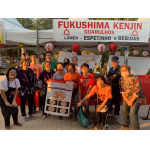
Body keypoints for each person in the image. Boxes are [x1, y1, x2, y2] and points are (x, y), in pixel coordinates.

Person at [120, 65, 143, 130]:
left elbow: (137, 91)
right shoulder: (121, 79)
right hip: (127, 98)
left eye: (125, 70)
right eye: (122, 71)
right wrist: (127, 100)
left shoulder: (135, 79)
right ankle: (126, 123)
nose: (123, 72)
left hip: (137, 98)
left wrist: (131, 101)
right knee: (124, 110)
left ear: (129, 71)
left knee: (133, 112)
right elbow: (123, 91)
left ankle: (136, 127)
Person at [78, 63, 95, 128]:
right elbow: (79, 88)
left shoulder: (91, 76)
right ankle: (84, 121)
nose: (84, 69)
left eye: (86, 68)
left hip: (88, 95)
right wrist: (80, 99)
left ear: (88, 68)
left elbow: (90, 87)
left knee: (85, 109)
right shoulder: (80, 77)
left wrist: (86, 98)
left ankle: (91, 122)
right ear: (81, 69)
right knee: (82, 108)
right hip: (82, 95)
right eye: (83, 68)